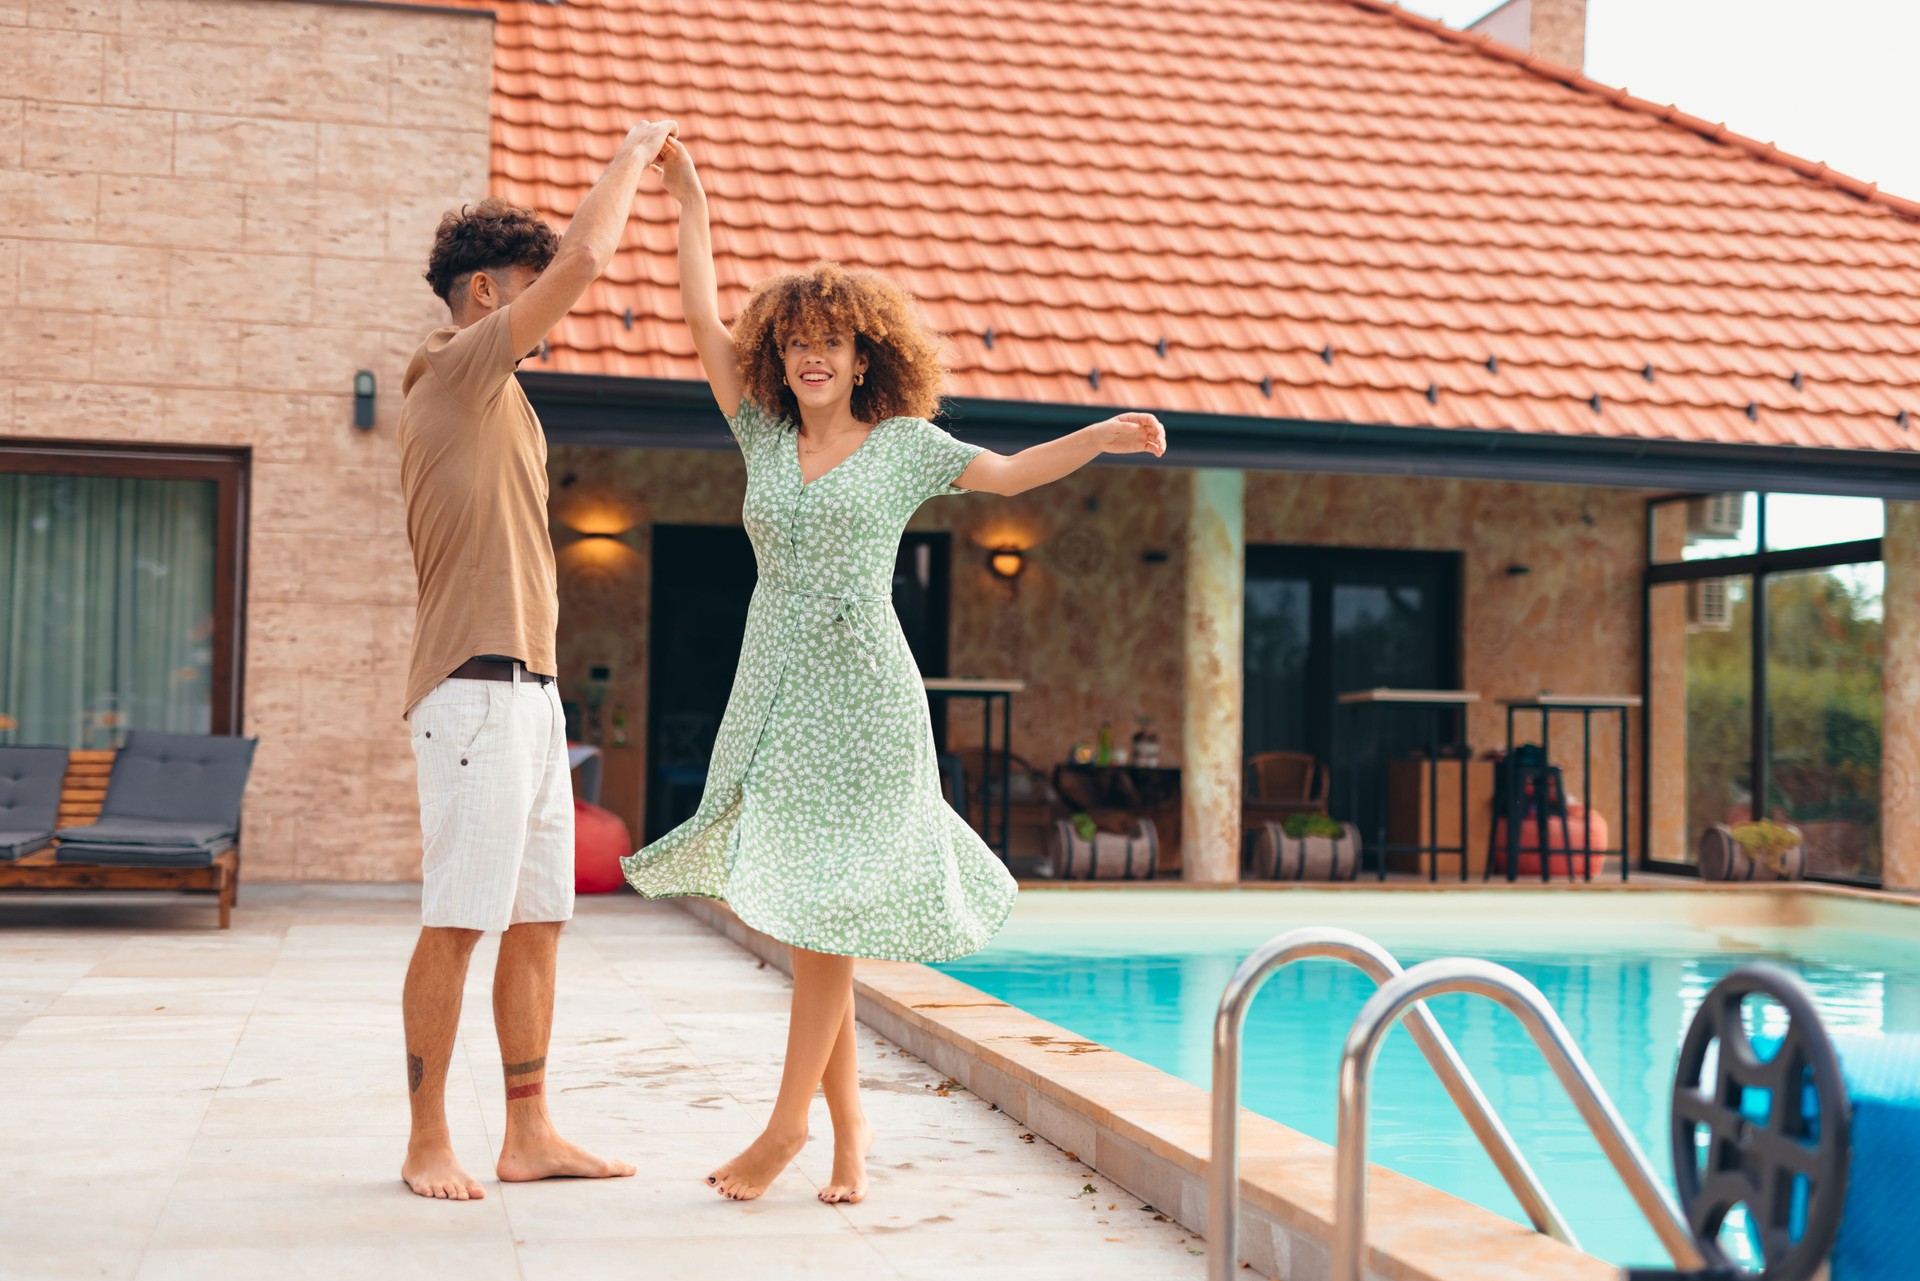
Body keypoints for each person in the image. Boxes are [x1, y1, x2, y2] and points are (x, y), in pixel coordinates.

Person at [622, 136, 1168, 1205]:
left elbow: (1007, 477)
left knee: (821, 916)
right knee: (805, 913)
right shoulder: (764, 440)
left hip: (866, 697)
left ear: (866, 355)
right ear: (778, 358)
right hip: (775, 688)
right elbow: (699, 314)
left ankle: (786, 1131)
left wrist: (1097, 435)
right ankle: (850, 1143)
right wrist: (690, 203)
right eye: (797, 345)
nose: (812, 359)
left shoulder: (907, 444)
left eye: (832, 343)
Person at [395, 118, 678, 1201]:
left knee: (540, 919)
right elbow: (589, 259)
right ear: (482, 296)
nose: (546, 314)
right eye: (524, 287)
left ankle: (529, 1131)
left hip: (528, 692)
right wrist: (633, 157)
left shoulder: (504, 398)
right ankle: (427, 1138)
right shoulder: (455, 370)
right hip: (469, 688)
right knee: (459, 922)